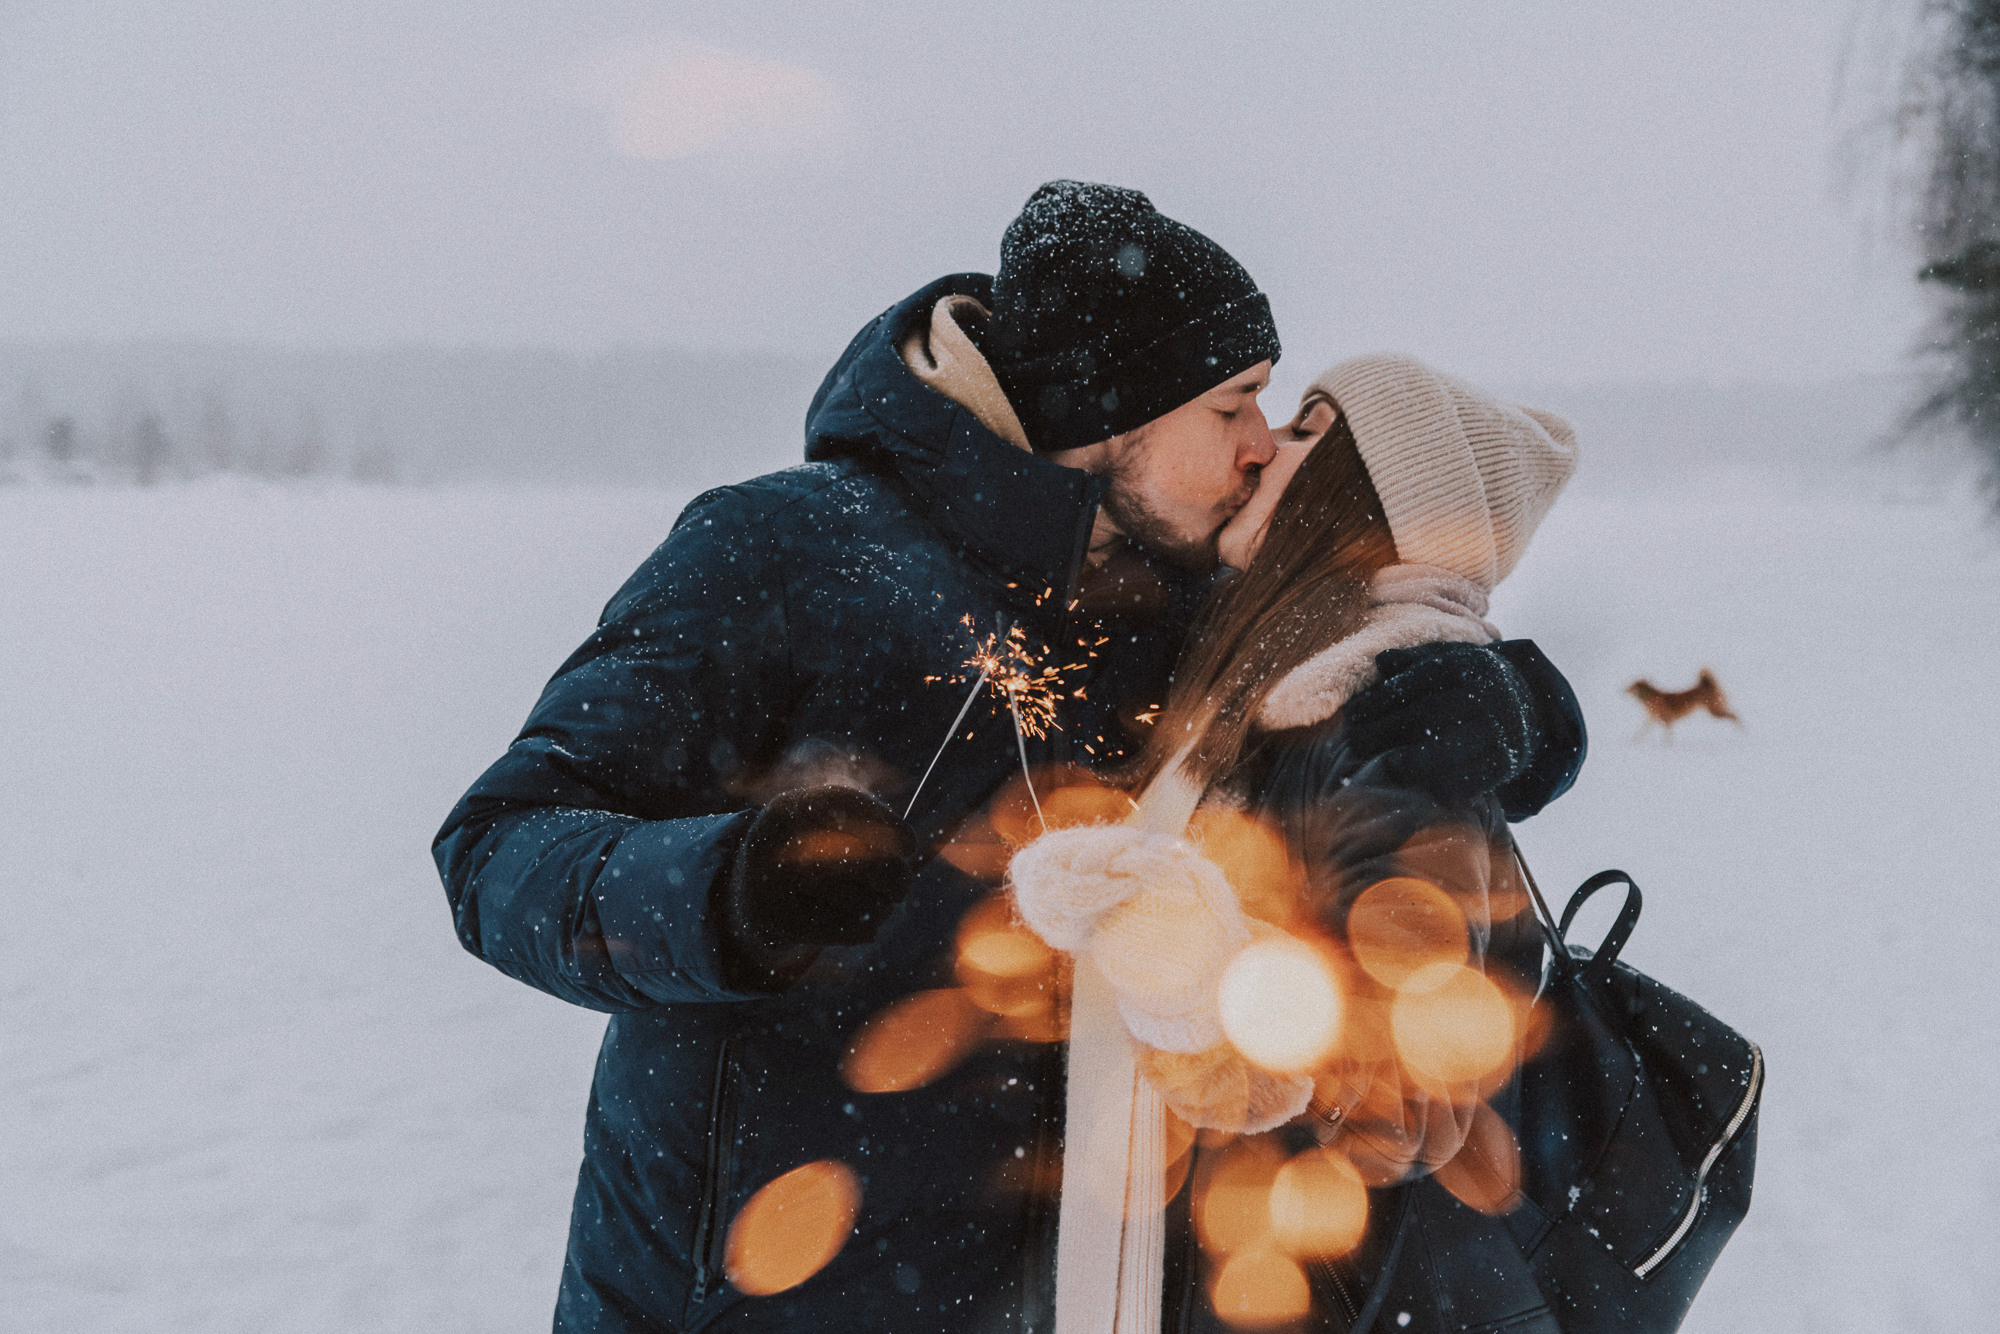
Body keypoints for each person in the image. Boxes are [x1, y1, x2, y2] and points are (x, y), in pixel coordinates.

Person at [433, 183, 1585, 1333]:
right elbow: (497, 849)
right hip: (753, 1290)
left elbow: (1369, 675)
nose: (1254, 448)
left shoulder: (1180, 600)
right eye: (1233, 403)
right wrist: (734, 892)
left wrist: (1505, 702)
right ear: (1111, 414)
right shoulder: (782, 549)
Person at [1008, 353, 1582, 1332]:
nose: (1265, 444)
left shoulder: (1402, 699)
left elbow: (1385, 1073)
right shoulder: (1279, 676)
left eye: (1307, 432)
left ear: (1369, 501)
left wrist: (1189, 969)